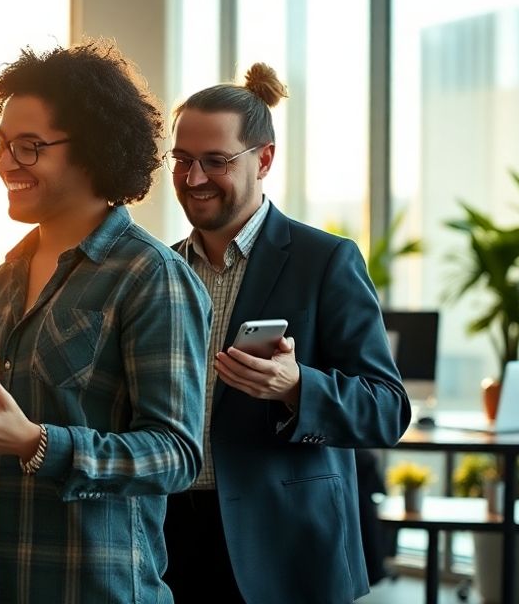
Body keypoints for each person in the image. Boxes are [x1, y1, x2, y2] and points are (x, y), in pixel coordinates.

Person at [0, 42, 211, 602]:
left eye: (30, 147)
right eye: (2, 145)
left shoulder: (151, 276)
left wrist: (39, 443)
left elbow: (174, 455)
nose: (7, 162)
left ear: (93, 151)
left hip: (92, 589)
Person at [161, 63, 410, 603]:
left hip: (286, 548)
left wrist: (297, 387)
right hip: (167, 540)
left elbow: (388, 409)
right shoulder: (161, 270)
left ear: (264, 158)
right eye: (182, 160)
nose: (194, 177)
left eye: (216, 161)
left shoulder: (325, 261)